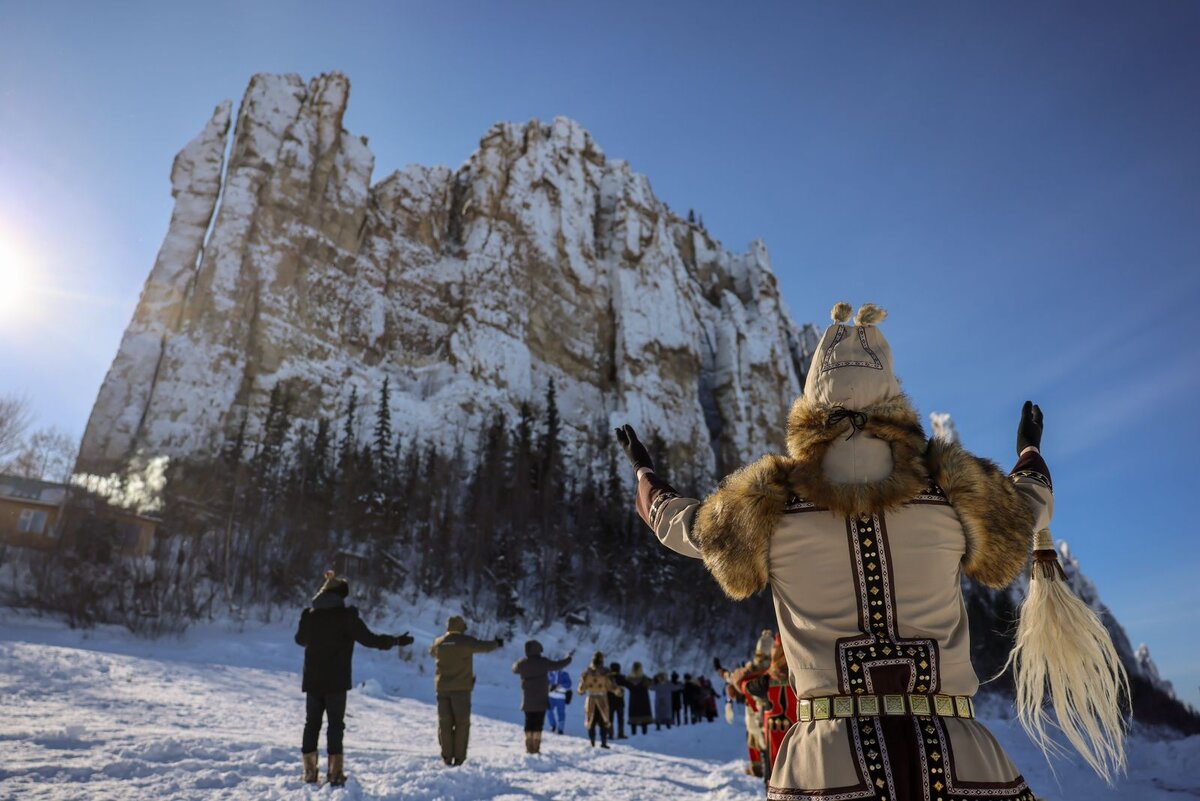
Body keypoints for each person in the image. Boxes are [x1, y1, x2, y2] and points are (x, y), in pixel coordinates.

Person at [617, 302, 1128, 798]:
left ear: (812, 402)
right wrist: (1029, 451)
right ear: (892, 396)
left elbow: (681, 527)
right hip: (955, 754)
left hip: (827, 763)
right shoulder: (952, 491)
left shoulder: (764, 505)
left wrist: (645, 476)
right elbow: (1031, 504)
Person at [294, 571, 412, 786]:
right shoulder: (347, 617)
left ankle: (310, 773)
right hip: (336, 681)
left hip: (313, 680)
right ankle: (335, 774)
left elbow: (300, 640)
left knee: (311, 724)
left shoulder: (309, 615)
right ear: (340, 596)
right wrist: (395, 641)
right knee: (335, 725)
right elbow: (371, 640)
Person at [429, 615, 503, 766]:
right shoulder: (466, 642)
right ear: (461, 627)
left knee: (445, 724)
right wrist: (497, 643)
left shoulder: (439, 642)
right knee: (462, 724)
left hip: (442, 689)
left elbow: (431, 652)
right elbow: (485, 646)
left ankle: (446, 757)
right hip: (461, 690)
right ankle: (459, 758)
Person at [744, 636, 798, 787]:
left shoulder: (766, 679)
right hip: (797, 730)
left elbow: (745, 687)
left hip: (774, 733)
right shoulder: (800, 676)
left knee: (774, 772)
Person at [512, 641, 573, 754]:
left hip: (527, 700)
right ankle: (536, 748)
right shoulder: (543, 662)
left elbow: (514, 669)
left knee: (528, 722)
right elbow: (559, 665)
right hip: (541, 700)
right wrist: (568, 658)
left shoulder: (523, 663)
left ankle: (529, 747)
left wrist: (519, 662)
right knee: (538, 724)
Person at [578, 651, 617, 748]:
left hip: (591, 698)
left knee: (591, 719)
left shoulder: (587, 672)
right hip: (602, 698)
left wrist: (582, 687)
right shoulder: (606, 672)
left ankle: (592, 742)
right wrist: (618, 691)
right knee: (603, 720)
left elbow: (581, 689)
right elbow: (611, 686)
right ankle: (603, 743)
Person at [620, 662, 653, 735]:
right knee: (644, 716)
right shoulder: (644, 678)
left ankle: (633, 732)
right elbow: (651, 684)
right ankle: (644, 733)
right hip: (644, 699)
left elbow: (624, 682)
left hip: (634, 699)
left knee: (633, 716)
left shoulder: (629, 679)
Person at [546, 665, 572, 735]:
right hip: (551, 696)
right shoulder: (550, 673)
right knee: (548, 710)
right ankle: (553, 725)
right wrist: (550, 686)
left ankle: (561, 728)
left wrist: (559, 685)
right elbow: (546, 682)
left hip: (561, 696)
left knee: (561, 713)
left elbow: (569, 684)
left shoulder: (564, 674)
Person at [606, 661, 627, 739]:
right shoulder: (622, 677)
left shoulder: (607, 678)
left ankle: (610, 734)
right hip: (620, 702)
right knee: (620, 719)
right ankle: (620, 734)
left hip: (610, 701)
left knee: (610, 719)